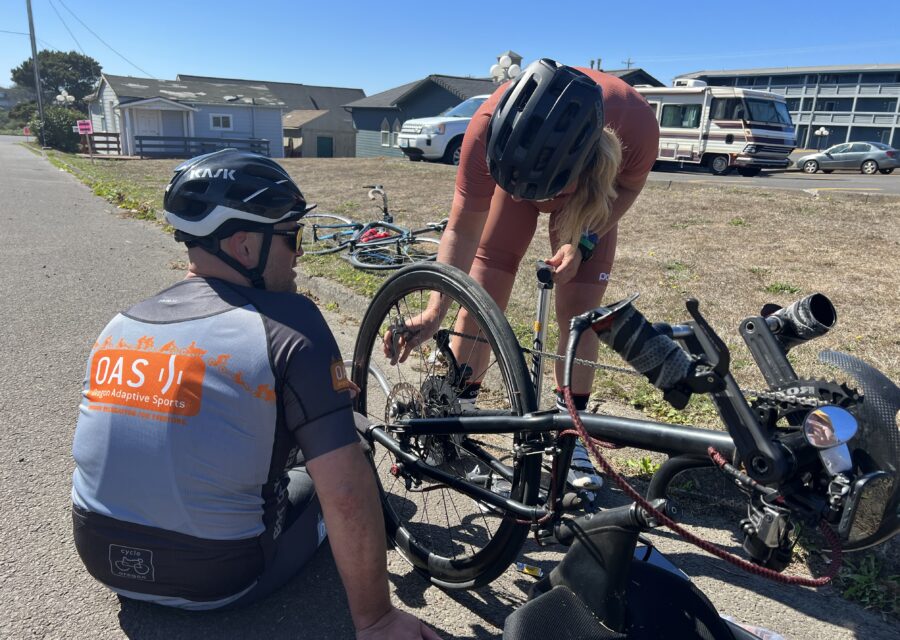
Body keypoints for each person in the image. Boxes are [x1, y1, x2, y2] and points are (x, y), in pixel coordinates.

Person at [71, 149, 439, 640]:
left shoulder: (123, 323)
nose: (299, 254)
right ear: (244, 246)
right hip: (221, 577)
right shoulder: (291, 325)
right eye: (291, 237)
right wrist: (377, 619)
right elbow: (346, 492)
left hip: (100, 555)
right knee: (356, 453)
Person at [384, 59, 660, 505]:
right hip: (519, 174)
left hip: (589, 194)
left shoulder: (637, 125)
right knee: (484, 286)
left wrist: (584, 241)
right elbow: (462, 230)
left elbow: (626, 189)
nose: (541, 203)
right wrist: (437, 308)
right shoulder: (485, 127)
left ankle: (574, 438)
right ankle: (455, 410)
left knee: (581, 317)